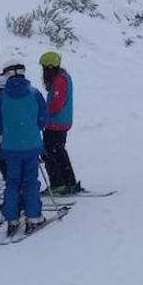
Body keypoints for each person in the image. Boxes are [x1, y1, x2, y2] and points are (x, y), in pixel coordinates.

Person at [0, 57, 49, 241]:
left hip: (10, 146)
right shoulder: (34, 93)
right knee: (31, 181)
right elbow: (43, 118)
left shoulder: (1, 97)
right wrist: (32, 129)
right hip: (31, 144)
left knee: (13, 182)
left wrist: (11, 131)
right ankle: (33, 216)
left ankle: (12, 219)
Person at [40, 51, 80, 194]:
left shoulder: (59, 81)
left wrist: (42, 113)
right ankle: (69, 181)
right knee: (59, 151)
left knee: (50, 152)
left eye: (44, 68)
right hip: (60, 122)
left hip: (56, 123)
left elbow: (56, 105)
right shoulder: (62, 77)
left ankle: (58, 183)